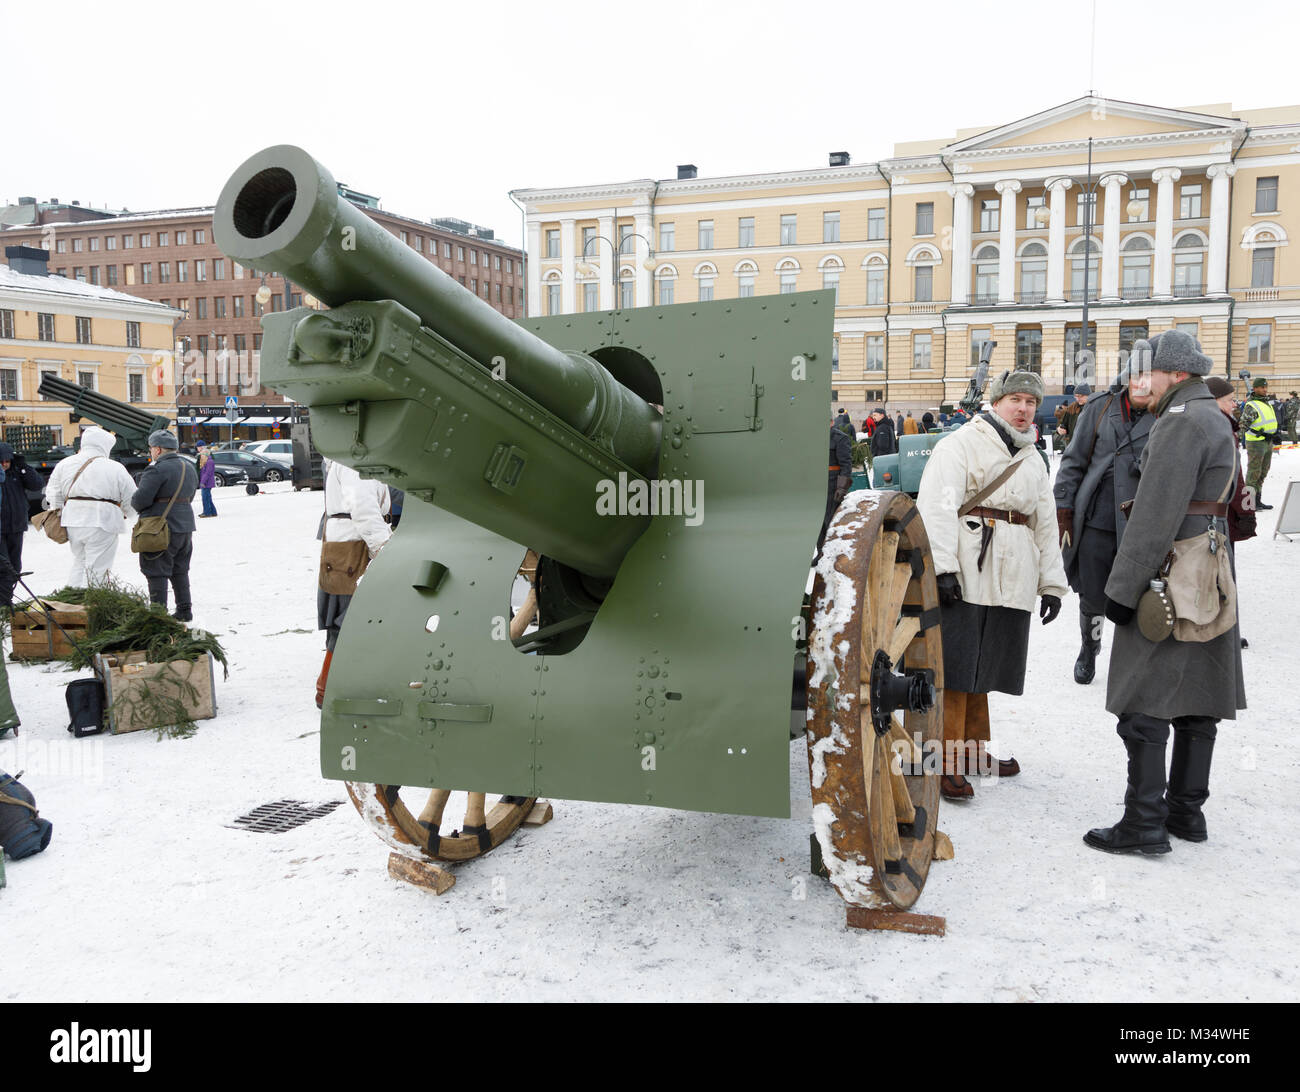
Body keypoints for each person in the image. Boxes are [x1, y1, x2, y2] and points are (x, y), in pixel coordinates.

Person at [1086, 332, 1245, 855]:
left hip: (1170, 574)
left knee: (1143, 698)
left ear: (1175, 373)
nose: (1137, 381)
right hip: (1208, 568)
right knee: (1199, 695)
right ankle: (1185, 812)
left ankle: (1144, 823)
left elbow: (1154, 513)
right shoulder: (1209, 415)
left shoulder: (1180, 422)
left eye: (1145, 371)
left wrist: (1123, 589)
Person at [916, 369, 1066, 801]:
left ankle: (975, 750)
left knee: (989, 663)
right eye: (1015, 400)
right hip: (967, 563)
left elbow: (1044, 523)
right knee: (959, 665)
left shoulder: (1033, 458)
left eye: (1031, 402)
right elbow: (938, 508)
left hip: (1013, 570)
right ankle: (944, 760)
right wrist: (941, 568)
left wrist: (1052, 584)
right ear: (996, 403)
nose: (1023, 409)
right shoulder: (959, 445)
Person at [1054, 372, 1154, 685]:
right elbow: (1073, 462)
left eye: (1150, 377)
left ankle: (1133, 657)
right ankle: (1089, 646)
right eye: (1137, 377)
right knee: (1093, 596)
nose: (1142, 384)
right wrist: (1064, 509)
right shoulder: (1100, 407)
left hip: (1142, 523)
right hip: (1097, 519)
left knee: (1139, 596)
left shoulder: (1165, 412)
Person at [316, 458, 392, 708]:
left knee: (349, 620)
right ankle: (327, 690)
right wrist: (384, 548)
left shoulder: (353, 460)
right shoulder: (354, 462)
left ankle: (333, 687)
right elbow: (363, 509)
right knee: (349, 620)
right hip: (353, 546)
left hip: (349, 543)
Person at [43, 426, 137, 587]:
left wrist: (60, 512)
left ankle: (73, 601)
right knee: (98, 569)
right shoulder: (114, 467)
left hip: (72, 521)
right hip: (103, 521)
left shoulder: (65, 464)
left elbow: (52, 493)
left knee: (79, 562)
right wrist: (132, 515)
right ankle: (92, 605)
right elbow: (131, 497)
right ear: (104, 446)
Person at [1207, 377, 1257, 650]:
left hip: (1219, 512)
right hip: (1221, 515)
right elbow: (1236, 476)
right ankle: (1225, 632)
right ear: (1215, 401)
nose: (1234, 403)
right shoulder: (1221, 427)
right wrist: (1246, 510)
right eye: (1229, 399)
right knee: (1224, 574)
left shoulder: (1220, 424)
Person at [131, 430, 198, 621]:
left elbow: (139, 501)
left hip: (160, 529)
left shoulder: (156, 469)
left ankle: (158, 616)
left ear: (158, 449)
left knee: (156, 570)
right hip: (185, 525)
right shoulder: (188, 467)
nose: (151, 452)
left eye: (151, 448)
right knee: (180, 569)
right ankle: (184, 610)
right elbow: (191, 496)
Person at [0, 442, 45, 607]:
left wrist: (23, 465)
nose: (5, 464)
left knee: (15, 567)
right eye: (1, 461)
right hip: (1, 529)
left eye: (7, 461)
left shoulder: (17, 472)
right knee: (5, 568)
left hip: (16, 527)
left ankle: (6, 599)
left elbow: (37, 484)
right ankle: (3, 605)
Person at [1239, 377, 1277, 509]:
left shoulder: (1267, 403)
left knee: (1263, 471)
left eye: (1265, 387)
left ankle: (1258, 500)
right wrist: (1236, 439)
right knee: (1254, 472)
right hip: (1256, 443)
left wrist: (1275, 434)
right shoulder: (1252, 405)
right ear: (1255, 389)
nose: (1265, 389)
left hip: (1267, 441)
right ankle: (1248, 504)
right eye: (1262, 387)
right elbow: (1243, 425)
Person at [817, 423, 853, 560]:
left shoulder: (840, 438)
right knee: (817, 520)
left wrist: (841, 487)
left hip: (831, 483)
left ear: (831, 422)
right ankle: (821, 552)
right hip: (816, 483)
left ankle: (833, 554)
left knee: (829, 519)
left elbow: (846, 464)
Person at [196, 441, 217, 518]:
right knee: (208, 497)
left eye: (202, 455)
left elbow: (207, 474)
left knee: (205, 498)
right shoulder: (206, 462)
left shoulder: (209, 462)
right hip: (206, 483)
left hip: (207, 483)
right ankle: (213, 512)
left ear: (205, 455)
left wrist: (202, 482)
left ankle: (207, 512)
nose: (201, 456)